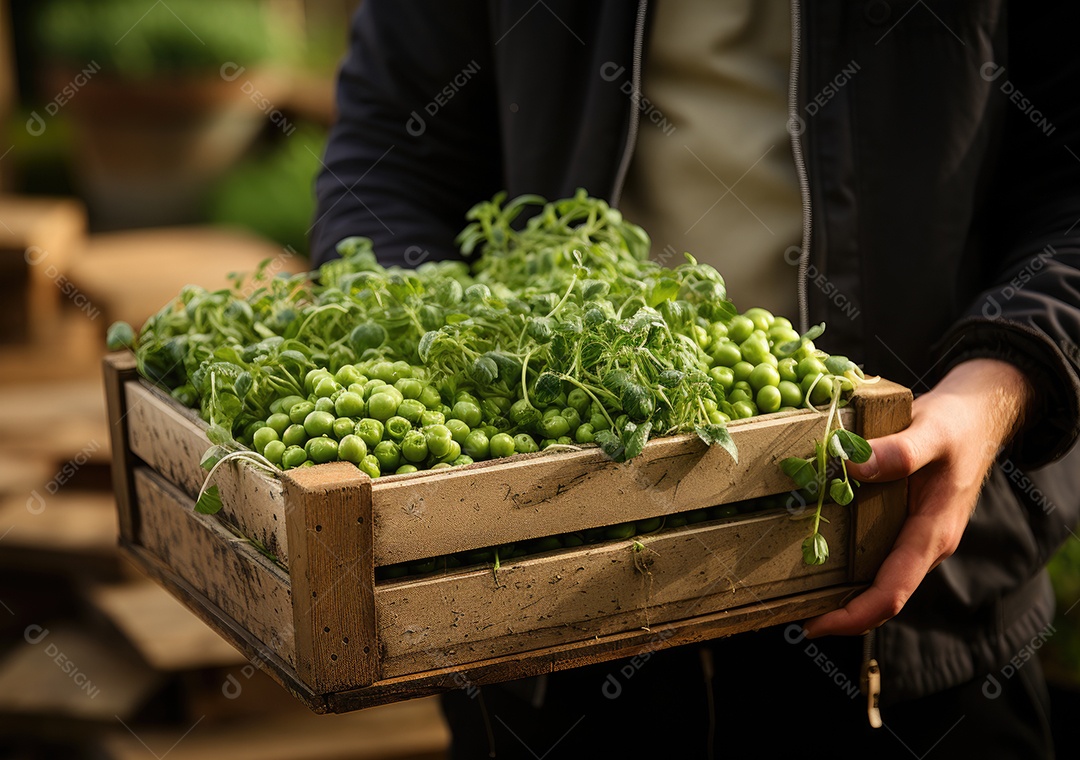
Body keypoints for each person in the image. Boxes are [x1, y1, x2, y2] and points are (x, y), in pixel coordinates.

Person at [311, 2, 1080, 757]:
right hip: (547, 620)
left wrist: (998, 387)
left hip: (912, 612)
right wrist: (436, 351)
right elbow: (392, 160)